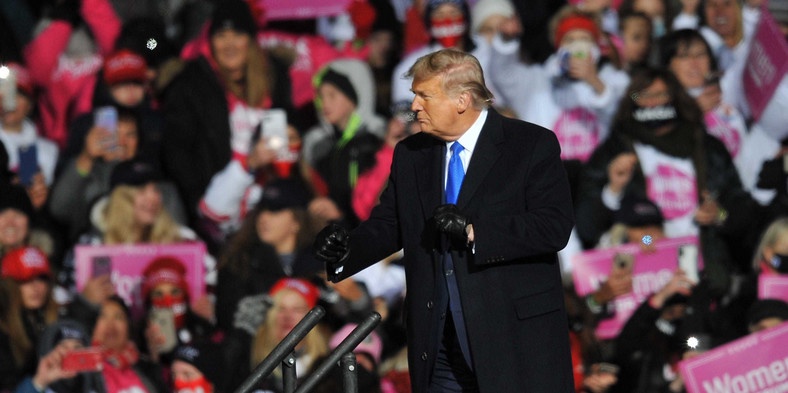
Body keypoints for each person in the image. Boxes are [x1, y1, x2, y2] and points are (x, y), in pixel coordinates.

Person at [314, 49, 575, 392]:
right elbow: (391, 224)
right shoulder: (411, 154)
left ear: (462, 99)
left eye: (425, 96)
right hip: (438, 344)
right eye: (415, 96)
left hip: (512, 342)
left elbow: (553, 226)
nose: (415, 107)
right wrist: (345, 249)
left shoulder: (529, 144)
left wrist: (473, 231)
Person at [0, 247, 60, 391]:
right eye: (25, 280)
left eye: (41, 278)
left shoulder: (54, 322)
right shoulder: (3, 332)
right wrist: (37, 383)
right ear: (8, 286)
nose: (36, 287)